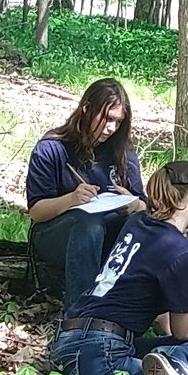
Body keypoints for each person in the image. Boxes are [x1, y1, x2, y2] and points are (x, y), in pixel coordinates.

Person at [47, 162, 188, 375]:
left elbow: (161, 315)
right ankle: (176, 368)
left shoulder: (136, 223)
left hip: (66, 341)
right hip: (104, 353)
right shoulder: (181, 250)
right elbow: (182, 331)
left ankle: (171, 369)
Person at [26, 78, 146, 309]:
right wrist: (71, 200)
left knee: (141, 222)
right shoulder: (52, 148)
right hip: (56, 235)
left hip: (109, 234)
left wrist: (134, 205)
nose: (111, 128)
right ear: (87, 109)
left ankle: (138, 306)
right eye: (107, 118)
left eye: (118, 122)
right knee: (88, 222)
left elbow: (145, 204)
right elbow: (37, 212)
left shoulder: (122, 152)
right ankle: (81, 312)